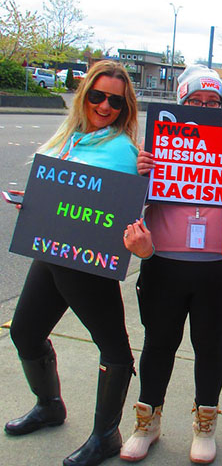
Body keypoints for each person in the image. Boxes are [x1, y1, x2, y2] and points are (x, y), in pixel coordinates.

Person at [4, 60, 140, 466]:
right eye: (97, 96)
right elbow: (54, 191)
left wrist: (146, 172)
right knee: (26, 332)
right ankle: (49, 405)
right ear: (84, 95)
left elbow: (126, 202)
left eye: (115, 101)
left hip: (86, 261)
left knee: (113, 346)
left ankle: (106, 435)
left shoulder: (122, 149)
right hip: (51, 251)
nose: (104, 106)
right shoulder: (70, 137)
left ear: (124, 107)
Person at [119, 65, 222, 464]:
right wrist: (140, 177)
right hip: (164, 261)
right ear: (181, 104)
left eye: (212, 103)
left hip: (219, 263)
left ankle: (205, 421)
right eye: (194, 102)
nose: (204, 109)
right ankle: (147, 422)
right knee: (158, 344)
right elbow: (124, 210)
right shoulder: (157, 147)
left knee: (210, 344)